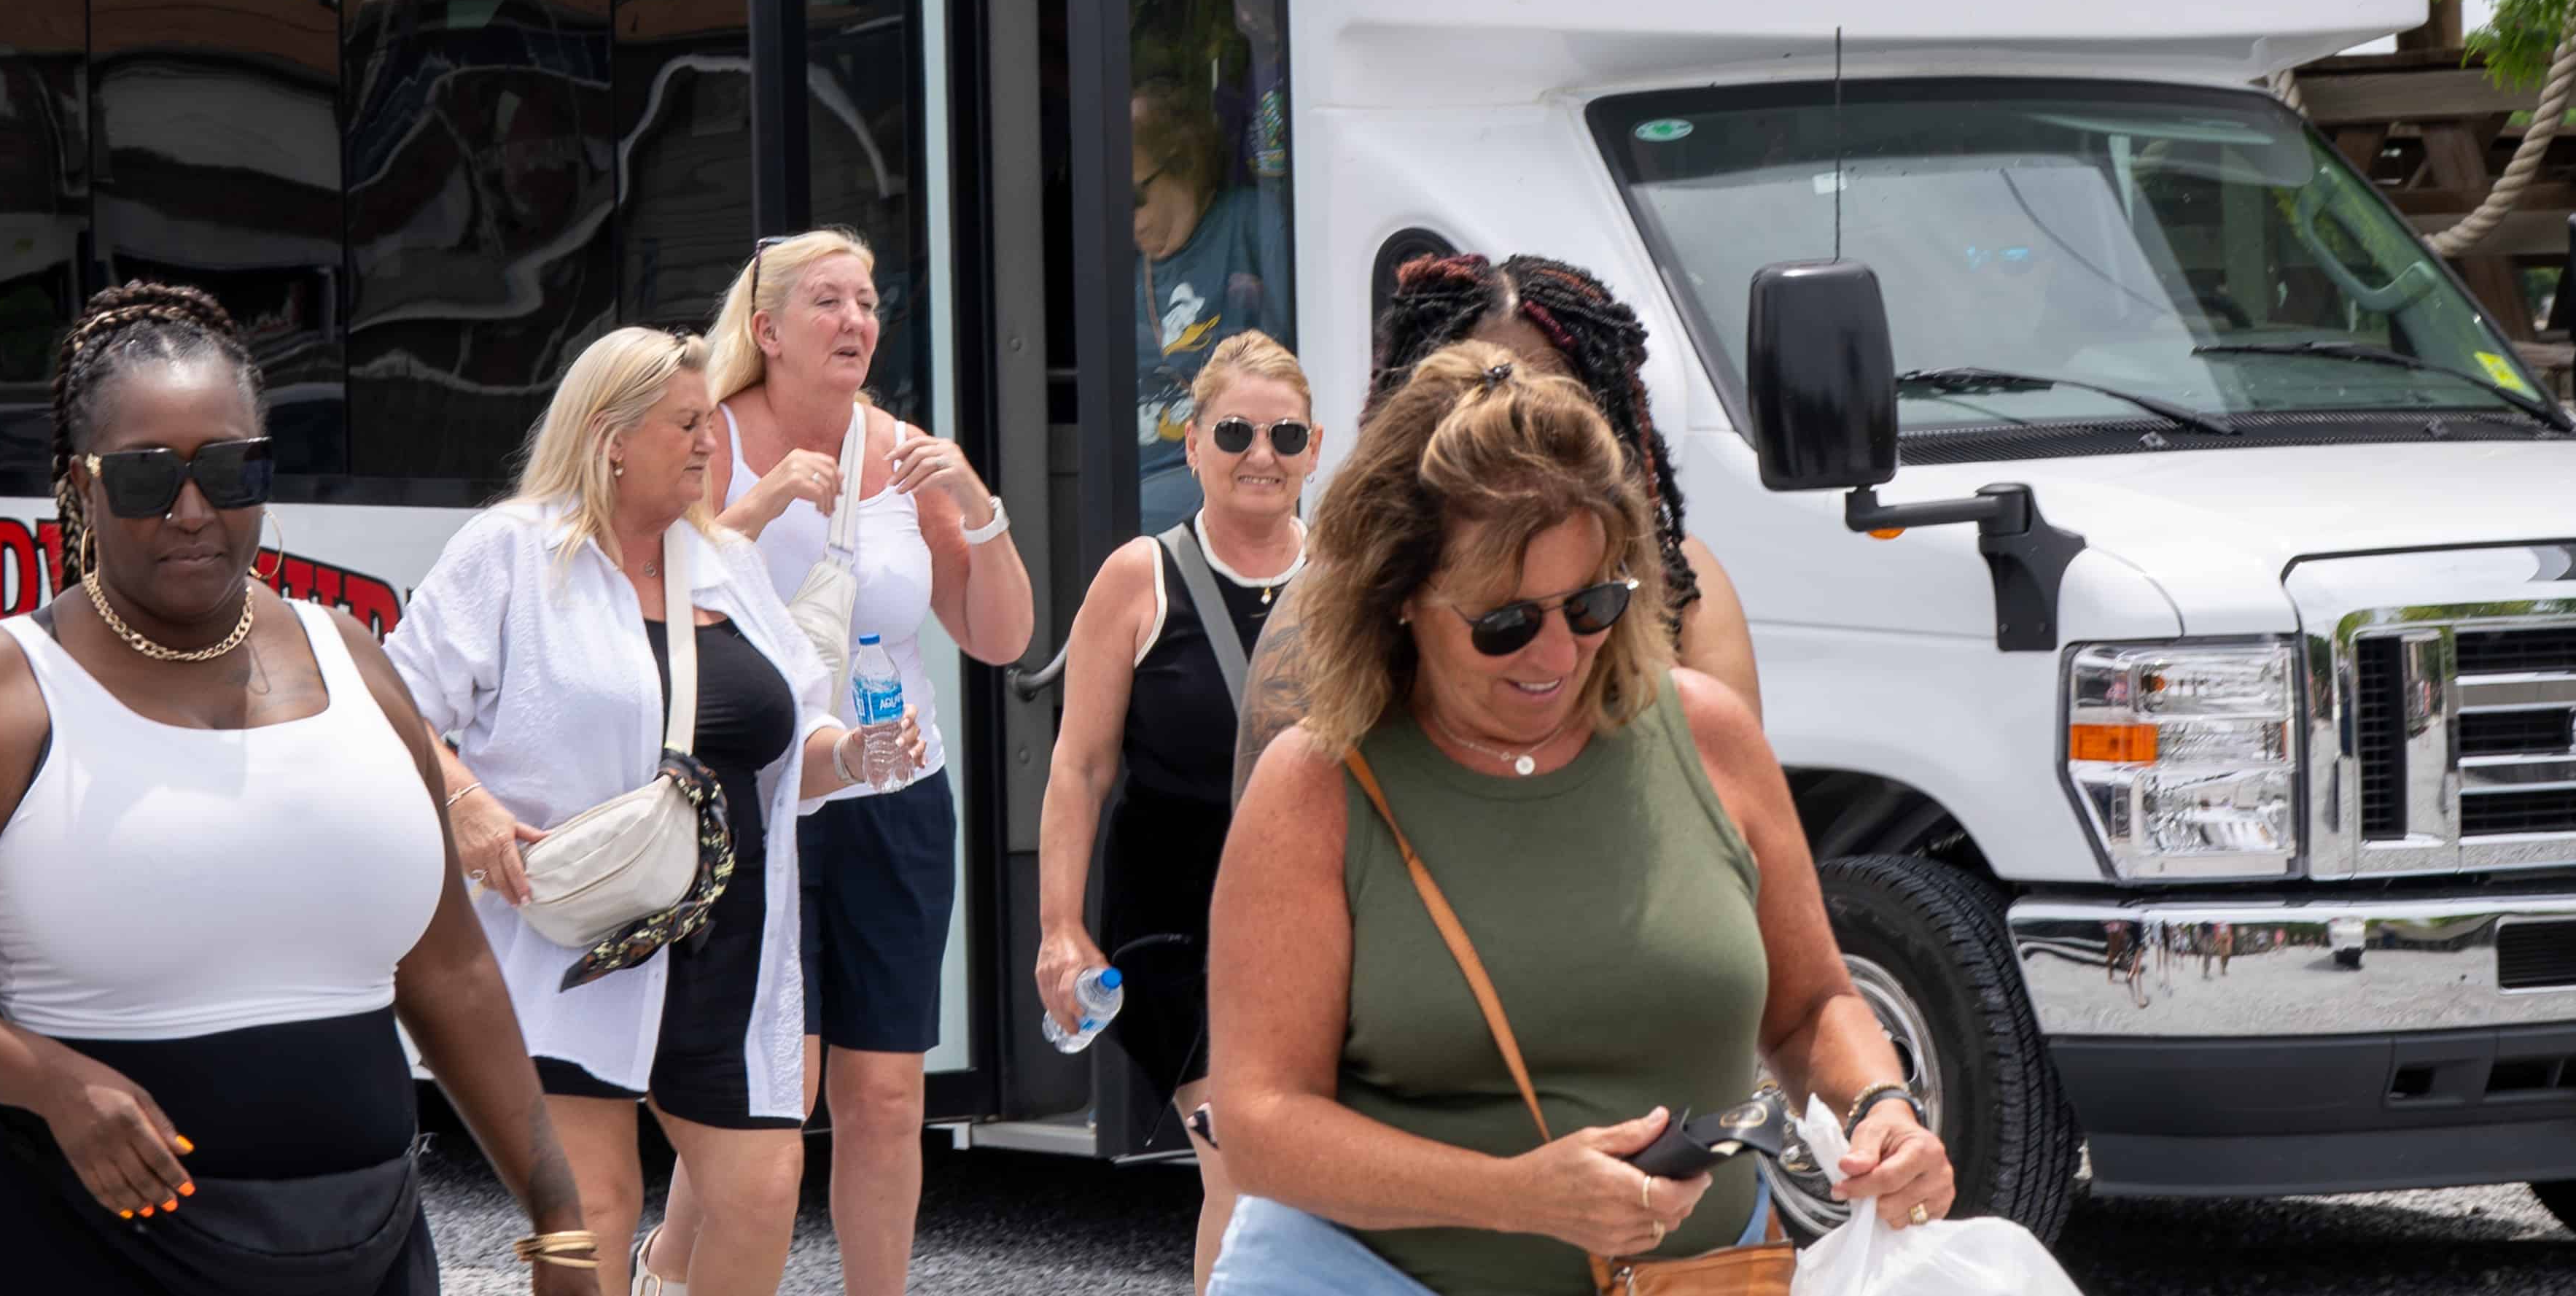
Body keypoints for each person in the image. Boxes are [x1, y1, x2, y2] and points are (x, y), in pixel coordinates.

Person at [1205, 345, 1952, 1295]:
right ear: (1396, 599)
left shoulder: (1705, 734)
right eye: (1504, 622)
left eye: (1594, 601)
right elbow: (1261, 1122)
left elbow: (1810, 1005)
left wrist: (1879, 1105)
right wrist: (1515, 1195)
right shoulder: (1315, 787)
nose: (1557, 651)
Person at [0, 282, 591, 1295]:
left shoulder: (351, 656)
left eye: (228, 468)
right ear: (80, 483)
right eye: (144, 476)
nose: (190, 510)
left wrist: (558, 1217)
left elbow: (451, 971)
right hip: (84, 1244)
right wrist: (49, 1080)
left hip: (367, 1246)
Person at [391, 327, 917, 1296]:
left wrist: (855, 753)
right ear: (609, 436)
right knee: (591, 1205)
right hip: (577, 929)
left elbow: (793, 731)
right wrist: (464, 803)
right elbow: (393, 703)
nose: (709, 442)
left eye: (708, 420)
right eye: (684, 423)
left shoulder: (721, 562)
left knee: (759, 1189)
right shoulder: (511, 552)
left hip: (734, 934)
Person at [648, 230, 1035, 1296]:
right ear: (766, 329)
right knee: (778, 1083)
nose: (855, 320)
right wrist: (763, 504)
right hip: (758, 800)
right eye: (827, 300)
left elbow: (999, 637)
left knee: (884, 1097)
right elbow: (652, 594)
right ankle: (678, 1266)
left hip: (894, 798)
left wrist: (977, 503)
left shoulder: (907, 453)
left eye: (866, 301)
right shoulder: (712, 438)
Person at [1240, 252, 1761, 796]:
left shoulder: (1684, 584)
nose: (1518, 411)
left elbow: (1732, 824)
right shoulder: (1327, 607)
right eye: (1503, 622)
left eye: (1594, 605)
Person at [1035, 330, 1313, 1292]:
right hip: (1171, 924)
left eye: (1284, 435)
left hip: (1312, 920)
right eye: (1234, 430)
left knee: (1316, 1179)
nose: (1259, 455)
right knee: (1240, 1162)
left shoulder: (1346, 584)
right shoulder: (1136, 578)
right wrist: (1060, 928)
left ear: (1313, 450)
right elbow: (1077, 766)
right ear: (1190, 442)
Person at [1132, 83, 1283, 535]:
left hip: (1220, 468)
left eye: (1135, 198)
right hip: (1133, 479)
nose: (1127, 220)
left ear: (1183, 165)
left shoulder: (1250, 225)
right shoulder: (1121, 265)